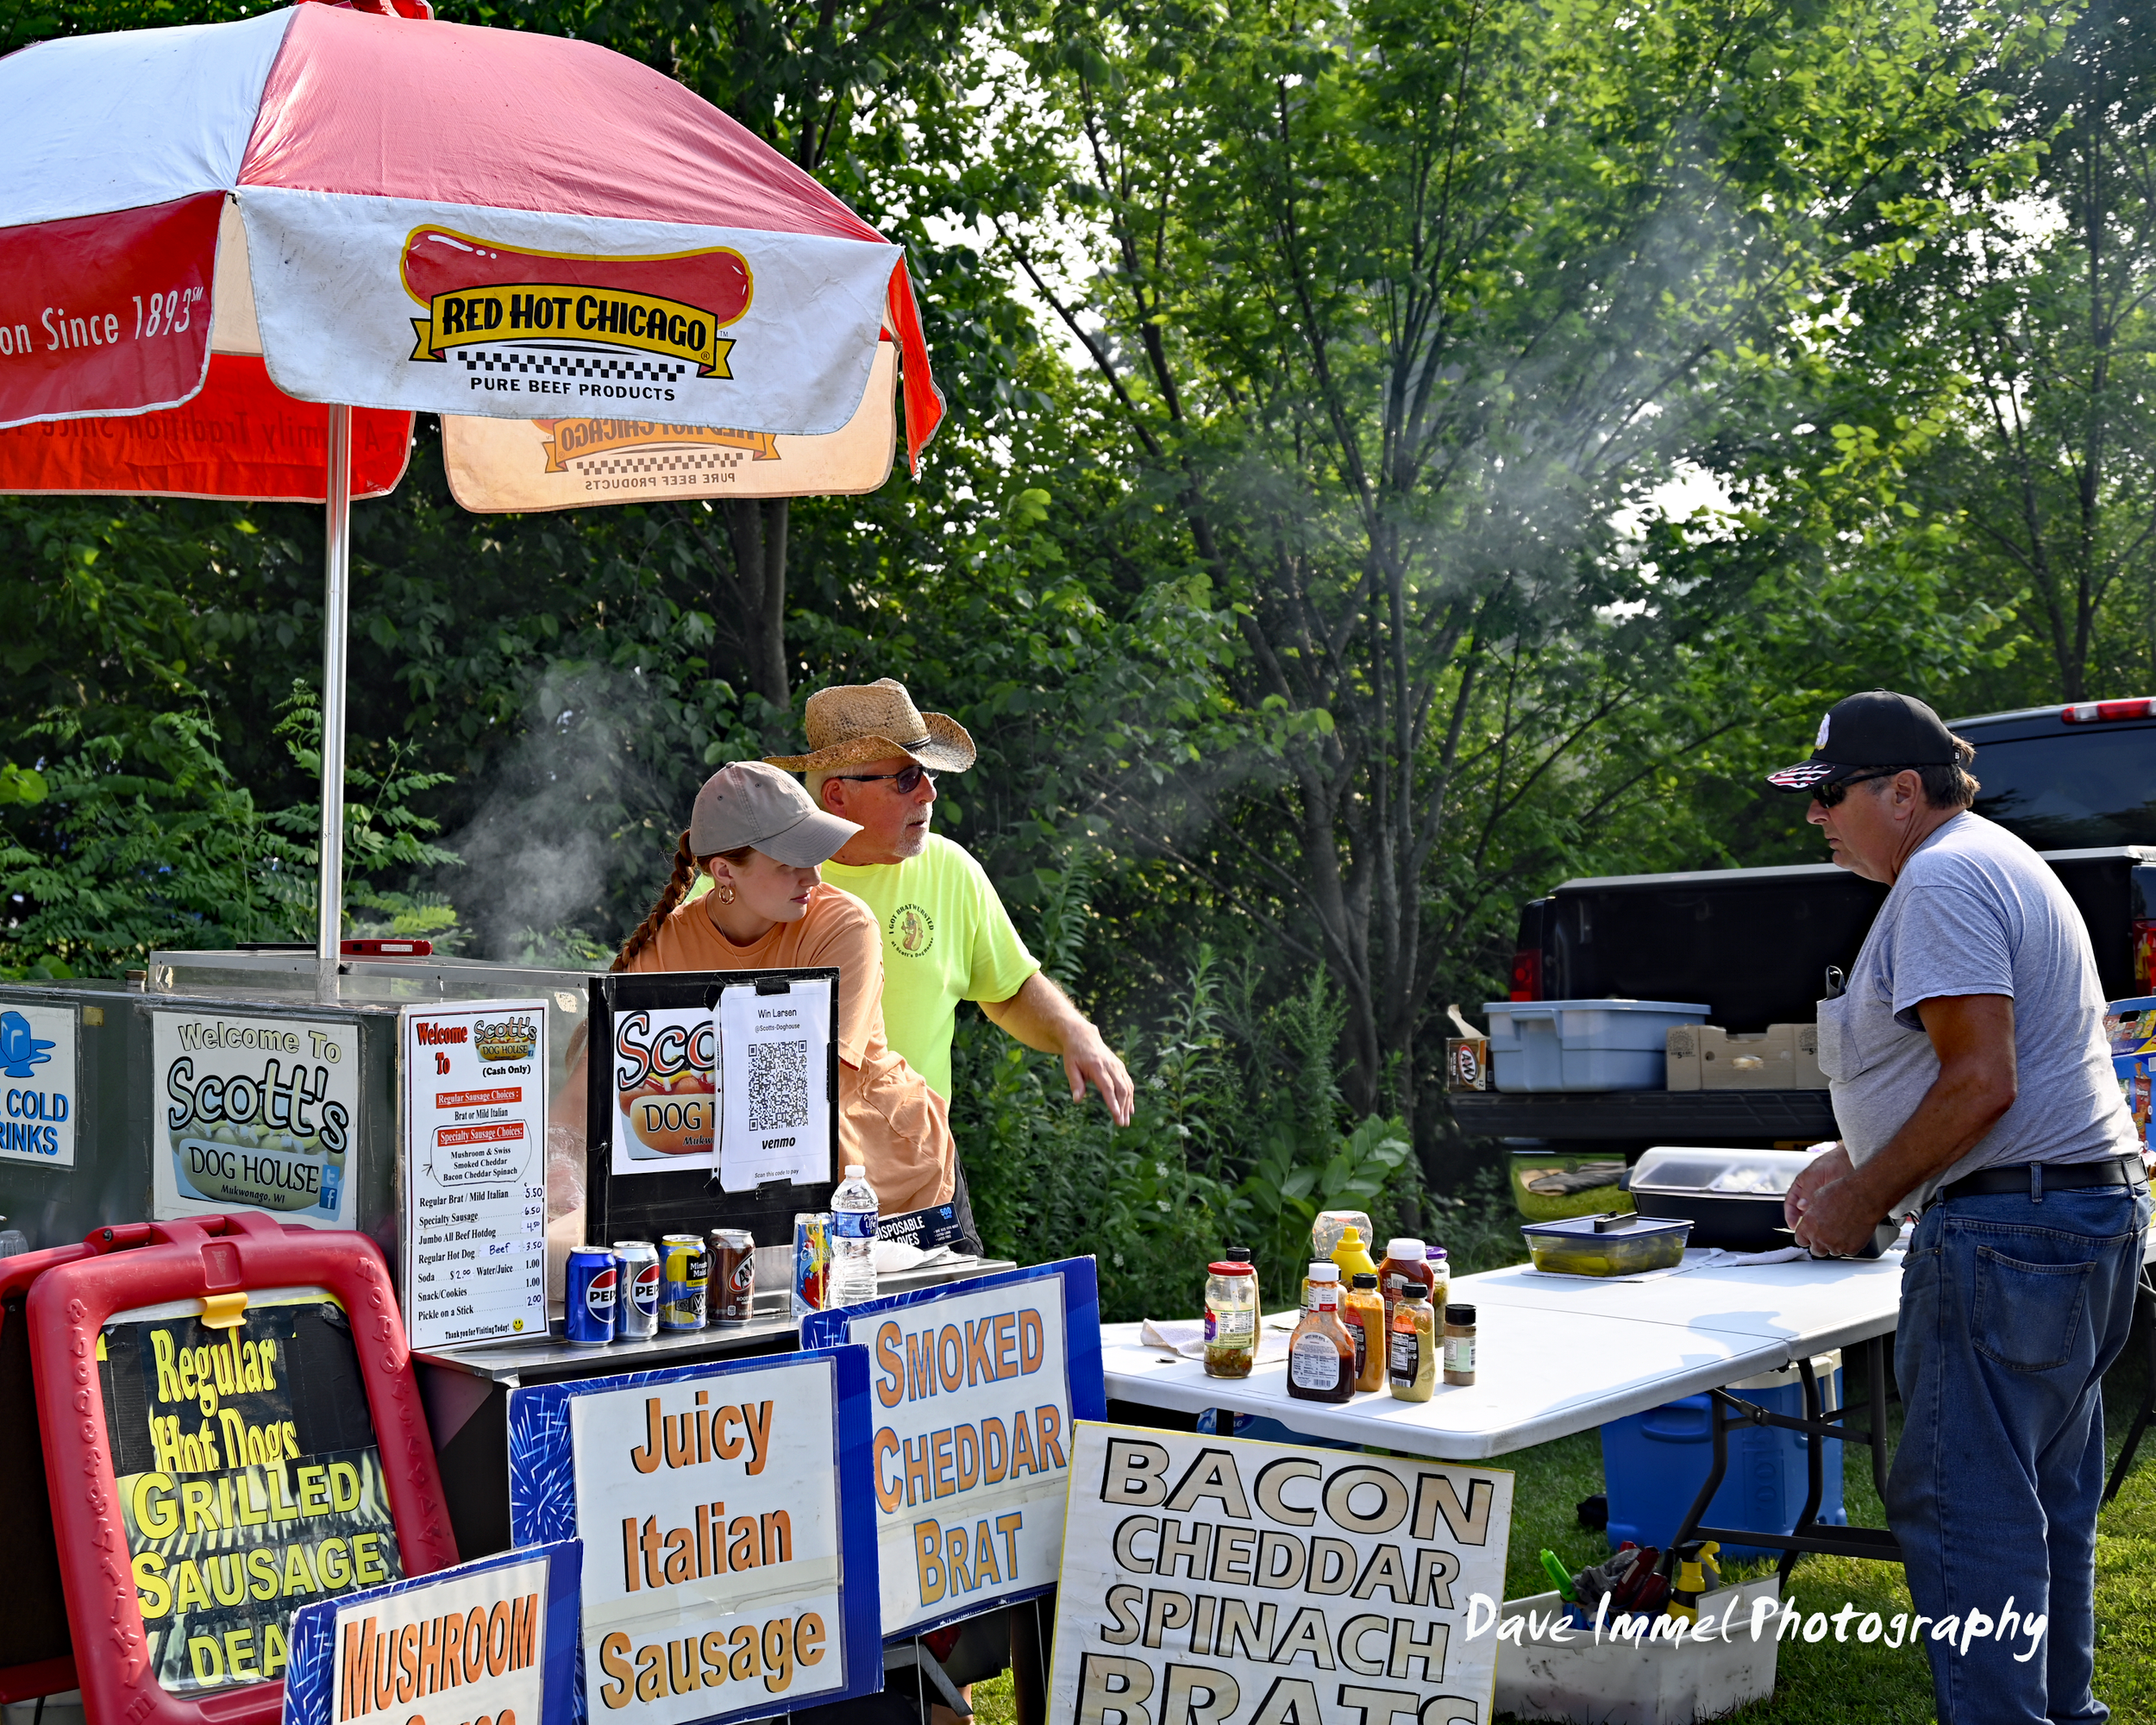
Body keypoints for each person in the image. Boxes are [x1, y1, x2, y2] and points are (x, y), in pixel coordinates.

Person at [1771, 689, 2149, 1725]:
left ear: (1902, 791)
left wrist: (1860, 1196)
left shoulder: (1941, 878)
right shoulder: (1992, 858)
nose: (1816, 815)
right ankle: (2062, 1712)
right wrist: (1853, 1147)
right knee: (2046, 1504)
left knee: (1967, 1509)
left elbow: (1982, 1082)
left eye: (1831, 793)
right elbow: (1976, 1065)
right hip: (2077, 1216)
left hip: (2008, 1231)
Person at [560, 760, 958, 1215]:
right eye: (791, 862)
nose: (813, 877)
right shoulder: (667, 945)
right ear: (726, 872)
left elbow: (809, 1092)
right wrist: (559, 1169)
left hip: (894, 1181)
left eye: (815, 854)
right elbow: (588, 1089)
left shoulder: (845, 926)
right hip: (757, 1194)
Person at [766, 678, 1134, 1125]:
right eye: (906, 779)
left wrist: (1076, 1030)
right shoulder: (754, 873)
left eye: (928, 774)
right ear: (838, 795)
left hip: (919, 1169)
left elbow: (1010, 989)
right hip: (784, 1173)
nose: (929, 793)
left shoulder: (951, 869)